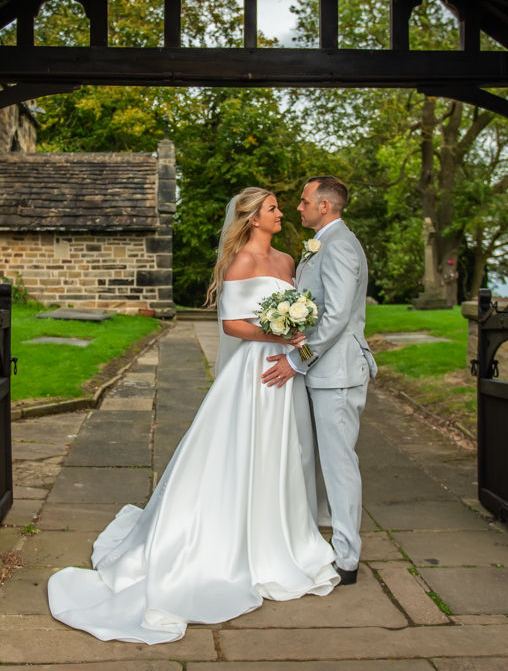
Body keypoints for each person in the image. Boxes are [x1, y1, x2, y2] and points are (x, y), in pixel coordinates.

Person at [47, 187, 339, 644]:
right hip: (252, 373)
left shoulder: (287, 262)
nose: (281, 213)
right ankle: (223, 540)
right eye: (272, 208)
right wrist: (278, 332)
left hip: (285, 373)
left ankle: (277, 534)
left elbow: (303, 314)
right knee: (240, 451)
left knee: (283, 451)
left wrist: (296, 331)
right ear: (251, 218)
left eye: (281, 207)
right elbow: (231, 324)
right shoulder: (241, 261)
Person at [261, 176, 377, 586]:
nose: (299, 207)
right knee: (322, 460)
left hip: (338, 374)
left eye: (305, 200)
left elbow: (337, 318)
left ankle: (346, 558)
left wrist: (297, 359)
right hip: (324, 373)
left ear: (324, 207)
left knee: (340, 463)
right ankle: (321, 534)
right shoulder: (324, 244)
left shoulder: (341, 245)